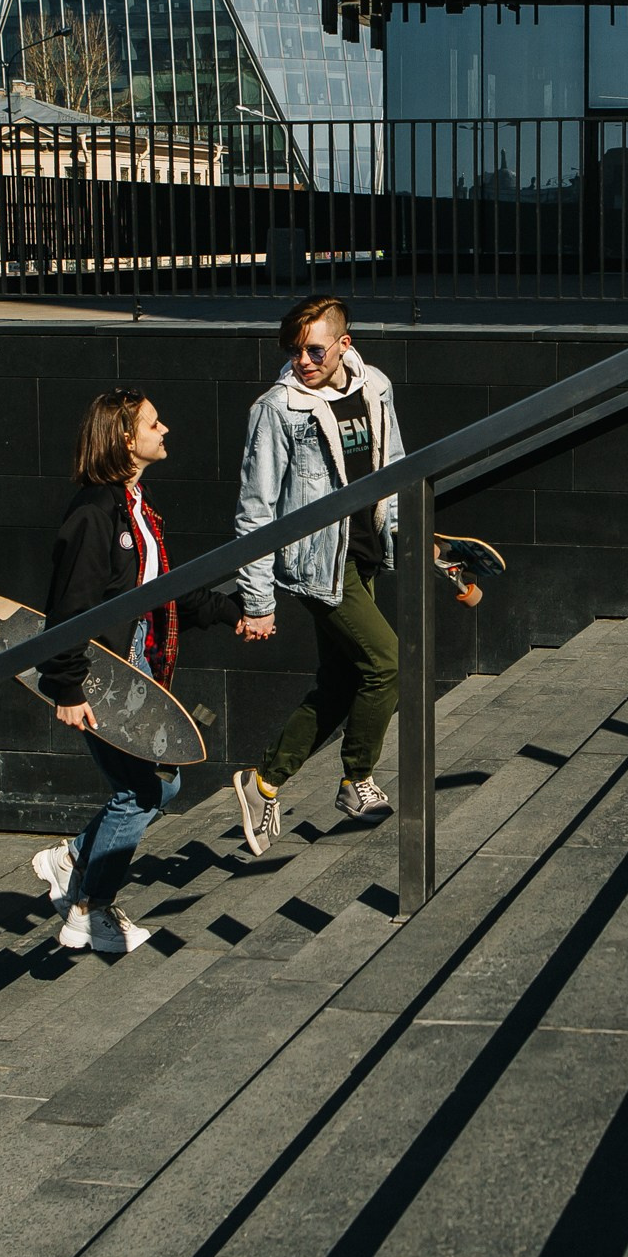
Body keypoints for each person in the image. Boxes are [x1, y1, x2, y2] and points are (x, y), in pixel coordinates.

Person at [30, 388, 235, 952]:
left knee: (162, 784)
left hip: (139, 658)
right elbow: (69, 608)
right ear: (125, 438)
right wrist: (67, 685)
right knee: (143, 791)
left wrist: (230, 612)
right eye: (153, 422)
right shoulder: (95, 514)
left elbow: (161, 593)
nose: (164, 429)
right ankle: (90, 909)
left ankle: (70, 859)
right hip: (105, 671)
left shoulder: (135, 505)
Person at [228, 295, 404, 855]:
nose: (303, 360)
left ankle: (264, 783)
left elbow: (395, 465)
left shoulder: (374, 385)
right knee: (385, 661)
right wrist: (258, 599)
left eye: (314, 348)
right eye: (294, 350)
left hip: (365, 551)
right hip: (319, 563)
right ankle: (356, 780)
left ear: (343, 345)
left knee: (342, 681)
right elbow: (256, 508)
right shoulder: (279, 409)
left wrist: (403, 536)